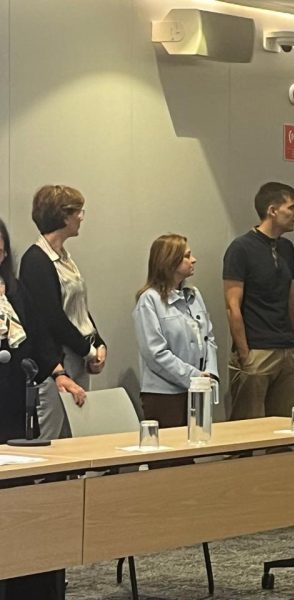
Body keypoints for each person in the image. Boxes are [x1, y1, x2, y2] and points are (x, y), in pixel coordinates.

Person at [0, 217, 85, 599]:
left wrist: (59, 373)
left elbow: (38, 335)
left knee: (17, 487)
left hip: (15, 397)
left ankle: (22, 567)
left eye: (1, 243)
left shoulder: (15, 289)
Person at [19, 184, 106, 439]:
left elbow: (79, 308)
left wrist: (98, 343)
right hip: (58, 361)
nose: (81, 217)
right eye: (78, 211)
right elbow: (51, 318)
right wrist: (88, 350)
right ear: (63, 216)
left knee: (76, 435)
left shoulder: (65, 257)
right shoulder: (36, 260)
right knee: (50, 437)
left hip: (79, 355)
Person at [223, 182, 294, 419]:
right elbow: (232, 306)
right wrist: (245, 354)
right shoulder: (241, 248)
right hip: (257, 350)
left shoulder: (287, 248)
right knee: (248, 427)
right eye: (291, 207)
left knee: (284, 426)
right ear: (272, 210)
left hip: (287, 349)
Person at [133, 234, 218, 427]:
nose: (193, 260)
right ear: (169, 261)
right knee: (172, 446)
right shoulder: (149, 300)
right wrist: (194, 376)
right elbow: (155, 353)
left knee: (199, 441)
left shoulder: (194, 295)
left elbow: (209, 338)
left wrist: (210, 374)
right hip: (165, 395)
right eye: (187, 256)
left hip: (199, 389)